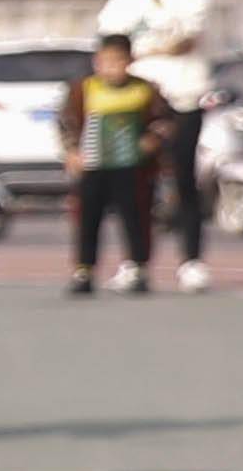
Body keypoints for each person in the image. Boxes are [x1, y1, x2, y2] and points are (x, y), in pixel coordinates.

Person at [95, 0, 220, 288]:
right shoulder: (121, 1)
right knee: (132, 184)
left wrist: (146, 37)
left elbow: (183, 41)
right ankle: (135, 262)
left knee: (182, 177)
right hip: (134, 102)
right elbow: (113, 48)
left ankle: (192, 261)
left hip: (183, 97)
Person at [67, 38, 174, 293]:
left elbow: (165, 120)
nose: (112, 68)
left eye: (118, 61)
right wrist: (72, 151)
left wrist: (153, 139)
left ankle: (137, 266)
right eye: (106, 62)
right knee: (88, 218)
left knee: (135, 216)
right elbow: (68, 122)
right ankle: (84, 269)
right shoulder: (84, 89)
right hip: (94, 163)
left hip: (132, 165)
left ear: (129, 62)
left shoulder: (145, 90)